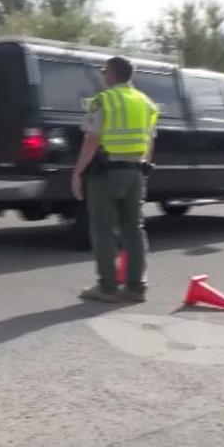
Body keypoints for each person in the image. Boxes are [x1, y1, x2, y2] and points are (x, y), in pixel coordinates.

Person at [71, 56, 159, 303]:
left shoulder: (104, 100)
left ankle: (107, 287)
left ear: (111, 74)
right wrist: (144, 168)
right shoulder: (146, 103)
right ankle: (136, 287)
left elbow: (92, 139)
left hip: (106, 173)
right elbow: (149, 140)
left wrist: (78, 172)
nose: (102, 75)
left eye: (104, 71)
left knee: (103, 230)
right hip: (135, 172)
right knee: (134, 230)